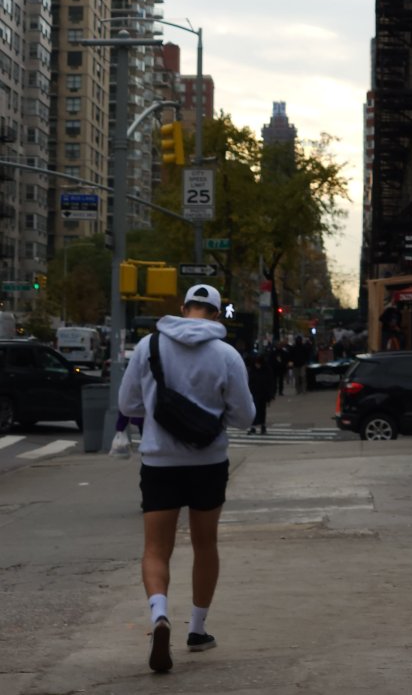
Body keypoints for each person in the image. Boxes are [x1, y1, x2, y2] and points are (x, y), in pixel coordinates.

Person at [118, 284, 255, 675]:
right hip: (208, 462)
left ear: (183, 309)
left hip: (159, 462)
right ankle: (197, 629)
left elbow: (127, 404)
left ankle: (160, 615)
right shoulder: (226, 354)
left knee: (155, 548)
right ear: (216, 314)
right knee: (204, 544)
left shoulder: (149, 347)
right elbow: (245, 416)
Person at [246, 352, 273, 434]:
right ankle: (254, 426)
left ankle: (262, 426)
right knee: (255, 410)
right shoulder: (252, 370)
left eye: (258, 363)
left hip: (263, 393)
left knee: (262, 410)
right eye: (256, 363)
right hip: (254, 393)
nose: (257, 365)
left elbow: (270, 383)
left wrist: (270, 395)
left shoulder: (266, 370)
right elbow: (249, 382)